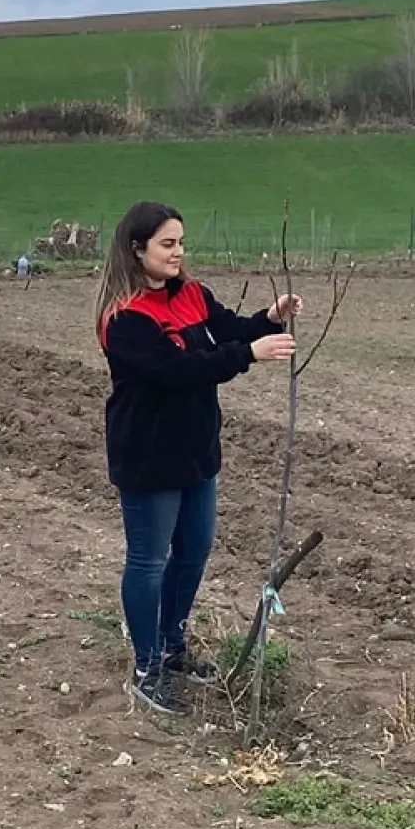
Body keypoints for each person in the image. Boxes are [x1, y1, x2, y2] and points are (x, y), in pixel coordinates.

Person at [95, 201, 300, 717]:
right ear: (136, 249)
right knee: (148, 561)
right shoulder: (124, 319)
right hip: (148, 455)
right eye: (167, 244)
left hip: (195, 449)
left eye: (181, 242)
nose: (178, 252)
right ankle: (146, 668)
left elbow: (225, 329)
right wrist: (249, 355)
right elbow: (180, 369)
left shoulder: (190, 293)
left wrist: (265, 321)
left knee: (194, 551)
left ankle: (171, 645)